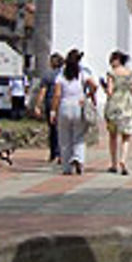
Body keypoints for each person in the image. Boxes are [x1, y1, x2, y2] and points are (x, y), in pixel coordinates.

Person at [50, 48, 96, 176]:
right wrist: (87, 95)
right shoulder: (82, 74)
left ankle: (66, 167)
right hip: (78, 105)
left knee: (64, 138)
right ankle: (79, 159)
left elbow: (57, 94)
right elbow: (94, 85)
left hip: (64, 106)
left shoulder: (61, 75)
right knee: (79, 136)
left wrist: (53, 111)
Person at [102, 50, 132, 174]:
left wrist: (104, 87)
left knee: (113, 135)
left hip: (114, 105)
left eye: (112, 60)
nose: (111, 62)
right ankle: (123, 159)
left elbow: (109, 91)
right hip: (127, 105)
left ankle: (114, 163)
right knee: (126, 135)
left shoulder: (111, 73)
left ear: (117, 60)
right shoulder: (130, 73)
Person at [33, 53, 63, 161]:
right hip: (62, 103)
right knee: (62, 130)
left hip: (50, 103)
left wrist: (37, 105)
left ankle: (54, 153)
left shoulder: (47, 75)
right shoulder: (64, 74)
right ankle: (61, 153)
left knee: (53, 129)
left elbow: (42, 92)